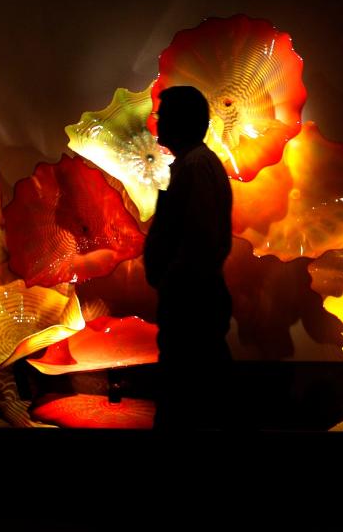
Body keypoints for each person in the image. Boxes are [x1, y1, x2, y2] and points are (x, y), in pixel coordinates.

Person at [143, 85, 233, 429]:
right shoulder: (195, 164)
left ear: (181, 121)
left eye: (162, 116)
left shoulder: (195, 167)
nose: (157, 124)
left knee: (188, 398)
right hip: (191, 298)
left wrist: (170, 280)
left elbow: (200, 240)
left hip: (191, 302)